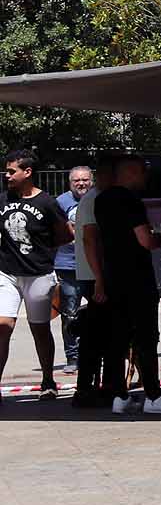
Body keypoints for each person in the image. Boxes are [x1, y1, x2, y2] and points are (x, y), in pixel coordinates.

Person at [96, 155, 161, 414]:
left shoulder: (101, 200)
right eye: (143, 173)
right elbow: (144, 239)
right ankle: (153, 396)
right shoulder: (131, 201)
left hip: (113, 276)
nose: (146, 179)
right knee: (146, 337)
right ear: (131, 173)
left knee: (118, 337)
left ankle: (119, 395)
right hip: (137, 277)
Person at [0, 150, 72, 400]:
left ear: (27, 172)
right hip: (7, 273)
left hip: (39, 274)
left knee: (39, 329)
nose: (7, 175)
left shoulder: (47, 203)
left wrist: (45, 250)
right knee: (2, 326)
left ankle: (48, 380)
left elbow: (67, 234)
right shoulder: (2, 199)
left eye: (12, 171)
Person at [70, 153, 117, 408]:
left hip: (96, 275)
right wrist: (99, 279)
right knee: (95, 337)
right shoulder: (94, 200)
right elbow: (90, 239)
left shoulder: (99, 198)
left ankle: (104, 384)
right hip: (94, 276)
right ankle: (87, 388)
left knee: (104, 335)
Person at [53, 165, 93, 374]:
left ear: (91, 180)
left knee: (99, 311)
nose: (81, 183)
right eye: (76, 180)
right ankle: (73, 357)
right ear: (70, 183)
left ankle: (96, 353)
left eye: (85, 179)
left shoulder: (98, 199)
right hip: (68, 265)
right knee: (70, 313)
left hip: (95, 265)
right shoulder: (60, 203)